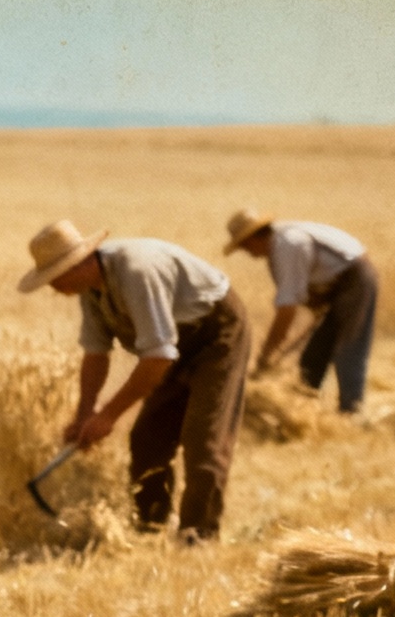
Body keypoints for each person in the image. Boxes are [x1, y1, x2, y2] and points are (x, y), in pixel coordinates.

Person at [18, 220, 251, 542]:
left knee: (204, 439)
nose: (53, 287)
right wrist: (85, 413)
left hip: (214, 336)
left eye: (55, 276)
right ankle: (150, 527)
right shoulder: (91, 290)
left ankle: (199, 534)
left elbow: (158, 357)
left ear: (81, 263)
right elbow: (96, 353)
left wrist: (109, 415)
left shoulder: (136, 272)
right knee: (147, 438)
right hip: (173, 345)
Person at [223, 209, 378, 413]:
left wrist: (266, 356)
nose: (246, 252)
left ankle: (351, 413)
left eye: (244, 245)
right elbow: (300, 297)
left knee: (348, 350)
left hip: (354, 281)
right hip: (334, 288)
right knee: (313, 355)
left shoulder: (288, 245)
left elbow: (287, 308)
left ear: (255, 237)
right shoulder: (278, 248)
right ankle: (302, 408)